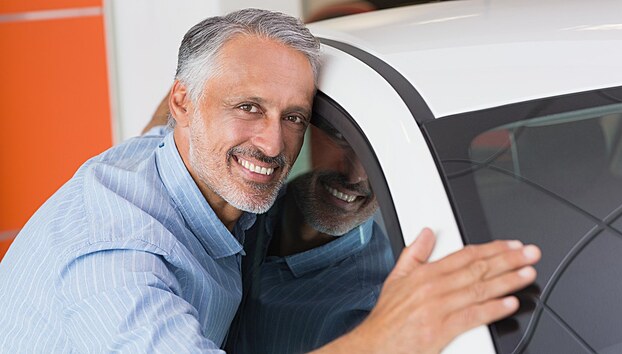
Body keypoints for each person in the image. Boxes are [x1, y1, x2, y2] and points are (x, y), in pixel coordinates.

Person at [0, 8, 541, 353]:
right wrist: (389, 337)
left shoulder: (181, 162)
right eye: (248, 107)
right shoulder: (116, 263)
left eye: (295, 117)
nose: (273, 142)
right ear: (183, 102)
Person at [227, 119, 395, 353]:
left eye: (380, 153)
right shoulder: (240, 200)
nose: (356, 174)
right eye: (340, 136)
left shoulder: (375, 311)